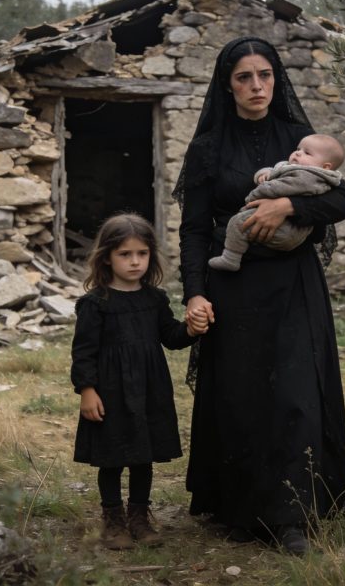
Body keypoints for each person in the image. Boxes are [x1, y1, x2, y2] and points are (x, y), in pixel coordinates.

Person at [174, 36, 345, 556]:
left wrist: (288, 211)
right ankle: (242, 510)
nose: (257, 86)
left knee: (295, 394)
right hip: (233, 286)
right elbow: (192, 228)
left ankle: (292, 516)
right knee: (239, 397)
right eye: (244, 77)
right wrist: (193, 293)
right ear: (226, 83)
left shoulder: (299, 136)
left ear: (277, 79)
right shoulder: (209, 146)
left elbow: (340, 199)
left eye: (266, 76)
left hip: (293, 285)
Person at [70, 212, 208, 550]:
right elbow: (83, 352)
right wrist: (87, 391)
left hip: (148, 389)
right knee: (112, 456)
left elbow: (170, 336)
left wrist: (191, 329)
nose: (135, 262)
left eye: (142, 254)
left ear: (151, 255)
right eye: (125, 254)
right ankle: (113, 520)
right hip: (110, 391)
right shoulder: (95, 304)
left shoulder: (154, 299)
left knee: (142, 455)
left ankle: (139, 517)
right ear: (106, 257)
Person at [208, 133, 345, 271]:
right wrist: (263, 175)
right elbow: (277, 170)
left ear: (326, 166)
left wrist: (255, 196)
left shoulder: (307, 177)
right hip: (289, 237)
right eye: (298, 149)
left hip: (288, 230)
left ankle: (231, 258)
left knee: (237, 223)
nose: (297, 153)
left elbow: (278, 188)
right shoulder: (298, 169)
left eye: (307, 153)